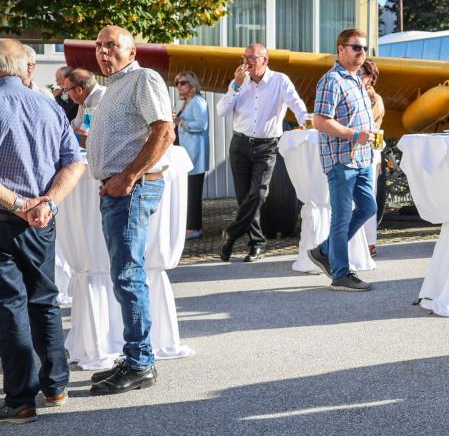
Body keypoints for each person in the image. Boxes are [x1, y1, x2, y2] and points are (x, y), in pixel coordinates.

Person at [0, 39, 85, 424]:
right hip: (40, 221)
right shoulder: (48, 105)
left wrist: (18, 204)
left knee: (9, 307)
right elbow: (74, 163)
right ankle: (56, 385)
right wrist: (48, 204)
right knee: (44, 299)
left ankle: (20, 399)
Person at [83, 25, 176, 395]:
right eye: (99, 46)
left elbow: (165, 132)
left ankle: (140, 363)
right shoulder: (113, 87)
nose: (103, 52)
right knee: (124, 275)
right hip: (120, 190)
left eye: (112, 45)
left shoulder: (143, 79)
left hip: (133, 189)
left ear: (132, 51)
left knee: (127, 276)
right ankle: (136, 355)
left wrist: (128, 176)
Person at [216, 43, 309, 263]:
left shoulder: (280, 80)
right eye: (244, 57)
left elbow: (296, 104)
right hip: (239, 145)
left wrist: (305, 122)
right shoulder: (238, 83)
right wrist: (235, 86)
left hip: (266, 146)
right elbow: (221, 111)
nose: (246, 62)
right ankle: (257, 243)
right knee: (244, 198)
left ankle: (231, 235)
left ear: (265, 60)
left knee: (258, 194)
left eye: (252, 58)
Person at [308, 29, 377, 292]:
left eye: (364, 48)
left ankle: (325, 250)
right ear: (341, 49)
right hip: (341, 160)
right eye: (356, 47)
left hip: (362, 158)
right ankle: (340, 274)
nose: (362, 52)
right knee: (342, 216)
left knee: (368, 208)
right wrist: (355, 135)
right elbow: (320, 121)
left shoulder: (356, 78)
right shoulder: (332, 80)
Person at [173, 71, 209, 240]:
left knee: (193, 194)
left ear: (192, 85)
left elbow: (202, 125)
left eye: (183, 83)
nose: (179, 86)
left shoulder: (198, 101)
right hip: (185, 156)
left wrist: (181, 122)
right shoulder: (185, 103)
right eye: (177, 83)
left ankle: (195, 228)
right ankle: (188, 226)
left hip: (195, 156)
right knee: (186, 193)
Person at [360, 58, 383, 258]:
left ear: (370, 77)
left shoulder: (374, 99)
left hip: (368, 150)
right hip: (361, 148)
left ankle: (369, 243)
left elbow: (373, 130)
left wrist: (378, 157)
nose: (359, 76)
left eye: (363, 73)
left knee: (367, 198)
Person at [65, 67, 106, 146]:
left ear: (79, 90)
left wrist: (76, 132)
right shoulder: (84, 100)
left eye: (66, 90)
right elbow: (74, 126)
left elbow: (84, 133)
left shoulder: (101, 96)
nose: (66, 94)